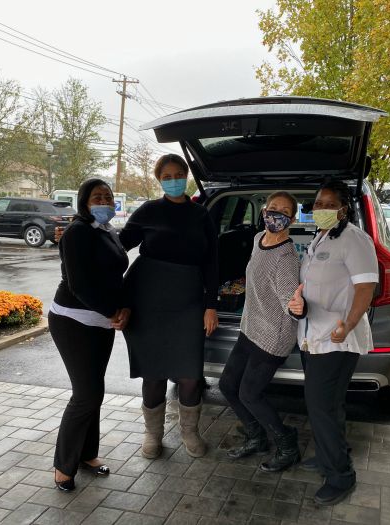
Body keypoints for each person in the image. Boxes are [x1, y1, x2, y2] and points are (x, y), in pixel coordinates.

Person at [119, 153, 219, 459]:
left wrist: (210, 305)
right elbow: (118, 245)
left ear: (186, 176)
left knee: (190, 373)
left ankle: (189, 431)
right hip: (147, 299)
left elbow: (212, 261)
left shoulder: (201, 215)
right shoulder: (148, 210)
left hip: (188, 300)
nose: (174, 180)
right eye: (167, 176)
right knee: (154, 373)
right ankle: (153, 434)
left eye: (178, 175)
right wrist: (81, 235)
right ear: (159, 180)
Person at [288, 179, 379, 506]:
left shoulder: (355, 240)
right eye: (317, 204)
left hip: (338, 338)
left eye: (328, 204)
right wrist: (298, 304)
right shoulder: (320, 237)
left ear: (343, 209)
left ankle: (340, 474)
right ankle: (330, 456)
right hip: (313, 335)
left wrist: (348, 324)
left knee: (320, 405)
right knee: (329, 404)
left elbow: (365, 289)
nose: (321, 209)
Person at [48, 178, 130, 492]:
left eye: (108, 196)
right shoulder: (76, 232)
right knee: (85, 394)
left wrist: (122, 307)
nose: (104, 201)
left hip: (102, 322)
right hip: (73, 321)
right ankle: (63, 465)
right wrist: (114, 312)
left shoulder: (108, 231)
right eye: (97, 197)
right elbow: (78, 285)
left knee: (95, 391)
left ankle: (87, 454)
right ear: (85, 202)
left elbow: (116, 273)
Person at [219, 191, 303, 472]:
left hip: (273, 335)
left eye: (284, 210)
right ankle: (256, 437)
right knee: (228, 386)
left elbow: (291, 302)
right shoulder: (258, 239)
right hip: (251, 326)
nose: (276, 213)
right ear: (264, 210)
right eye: (272, 207)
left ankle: (287, 444)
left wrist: (297, 307)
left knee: (249, 394)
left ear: (291, 218)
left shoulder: (287, 257)